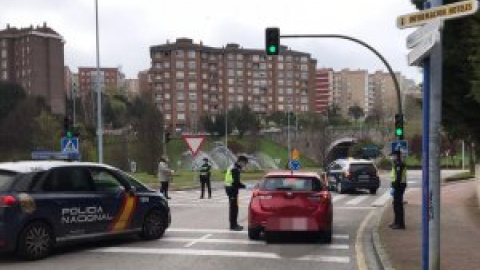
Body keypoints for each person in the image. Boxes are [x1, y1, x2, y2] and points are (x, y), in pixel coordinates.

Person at [224, 155, 248, 231]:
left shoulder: (233, 167)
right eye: (245, 163)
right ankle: (233, 226)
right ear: (241, 162)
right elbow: (236, 183)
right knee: (234, 208)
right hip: (232, 190)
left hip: (230, 189)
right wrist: (247, 186)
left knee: (234, 207)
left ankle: (234, 224)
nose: (245, 165)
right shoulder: (235, 169)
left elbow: (235, 182)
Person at [390, 150, 407, 229]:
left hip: (399, 186)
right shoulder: (396, 164)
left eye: (393, 155)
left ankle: (400, 224)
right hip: (398, 186)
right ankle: (396, 222)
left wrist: (394, 187)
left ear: (396, 156)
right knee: (396, 205)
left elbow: (398, 177)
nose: (391, 157)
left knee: (398, 205)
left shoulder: (399, 164)